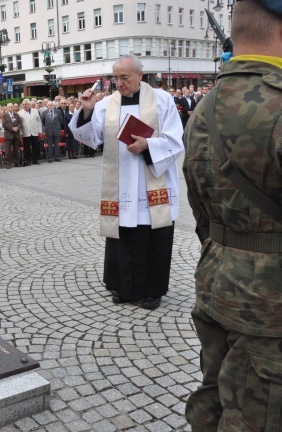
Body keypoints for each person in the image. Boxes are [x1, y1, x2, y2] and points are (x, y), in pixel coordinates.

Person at [183, 1, 282, 429]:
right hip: (271, 306)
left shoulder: (204, 107)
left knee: (213, 398)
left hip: (217, 281)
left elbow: (199, 206)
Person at [69, 54, 184, 310]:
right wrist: (87, 109)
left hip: (151, 180)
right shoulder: (105, 104)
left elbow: (176, 141)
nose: (119, 83)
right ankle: (125, 288)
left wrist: (148, 145)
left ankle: (153, 291)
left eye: (125, 77)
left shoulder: (162, 100)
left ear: (140, 76)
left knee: (154, 238)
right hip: (120, 184)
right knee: (123, 236)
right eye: (115, 78)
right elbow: (91, 139)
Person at [2, 103, 22, 169]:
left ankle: (16, 162)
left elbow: (20, 123)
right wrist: (12, 128)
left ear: (13, 108)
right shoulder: (4, 115)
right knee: (8, 150)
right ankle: (8, 163)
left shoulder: (17, 115)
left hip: (16, 135)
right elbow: (4, 124)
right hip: (8, 134)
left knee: (16, 150)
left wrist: (17, 128)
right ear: (7, 108)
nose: (10, 108)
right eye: (9, 107)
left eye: (11, 107)